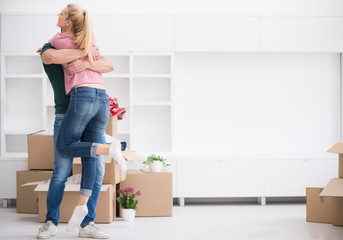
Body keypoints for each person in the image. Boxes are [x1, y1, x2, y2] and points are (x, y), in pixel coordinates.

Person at [49, 3, 127, 233]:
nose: (58, 15)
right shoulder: (89, 39)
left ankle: (108, 148)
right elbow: (51, 56)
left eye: (62, 14)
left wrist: (83, 59)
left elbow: (53, 53)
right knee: (90, 160)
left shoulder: (59, 38)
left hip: (83, 95)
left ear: (68, 22)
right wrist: (88, 53)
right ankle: (82, 208)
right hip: (103, 98)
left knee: (65, 146)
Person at [35, 43, 113, 239]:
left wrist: (86, 63)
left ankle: (88, 224)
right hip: (65, 114)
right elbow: (51, 57)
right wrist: (86, 53)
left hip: (91, 111)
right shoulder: (51, 47)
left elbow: (109, 65)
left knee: (96, 171)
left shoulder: (86, 47)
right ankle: (50, 222)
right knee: (60, 171)